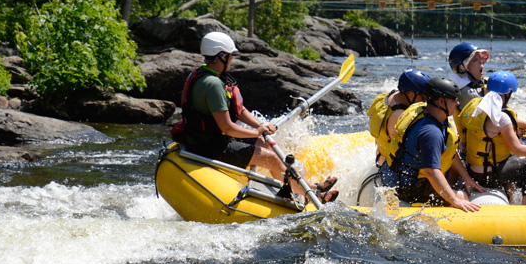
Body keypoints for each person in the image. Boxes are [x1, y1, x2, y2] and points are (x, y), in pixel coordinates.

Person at [179, 31, 337, 202]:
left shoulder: (206, 74)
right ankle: (311, 196)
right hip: (208, 146)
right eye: (230, 55)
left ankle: (310, 188)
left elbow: (239, 110)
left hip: (212, 138)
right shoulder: (213, 85)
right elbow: (227, 127)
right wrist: (256, 132)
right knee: (272, 159)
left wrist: (259, 126)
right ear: (222, 56)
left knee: (265, 144)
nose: (232, 59)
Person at [381, 76, 482, 212]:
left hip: (399, 175)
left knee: (455, 179)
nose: (457, 103)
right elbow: (431, 171)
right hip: (407, 187)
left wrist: (466, 178)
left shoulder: (430, 114)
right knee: (461, 195)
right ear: (441, 102)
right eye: (453, 99)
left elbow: (450, 152)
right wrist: (455, 200)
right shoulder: (431, 132)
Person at [459, 71, 526, 204]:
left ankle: (509, 189)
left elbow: (504, 122)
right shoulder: (501, 116)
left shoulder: (477, 106)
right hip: (489, 175)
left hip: (472, 169)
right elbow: (518, 150)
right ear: (508, 93)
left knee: (523, 143)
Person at [368, 69, 430, 167]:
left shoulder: (385, 98)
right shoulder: (400, 117)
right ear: (409, 93)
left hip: (380, 156)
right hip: (390, 167)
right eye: (423, 97)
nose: (425, 101)